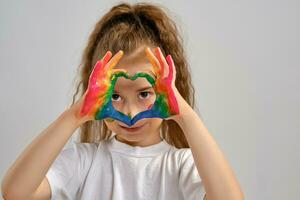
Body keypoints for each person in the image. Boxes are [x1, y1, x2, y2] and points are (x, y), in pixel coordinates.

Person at [1, 2, 244, 200]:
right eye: (115, 96)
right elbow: (16, 193)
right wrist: (75, 116)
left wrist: (184, 115)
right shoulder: (85, 161)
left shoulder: (181, 165)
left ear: (169, 90)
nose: (129, 112)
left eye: (144, 94)